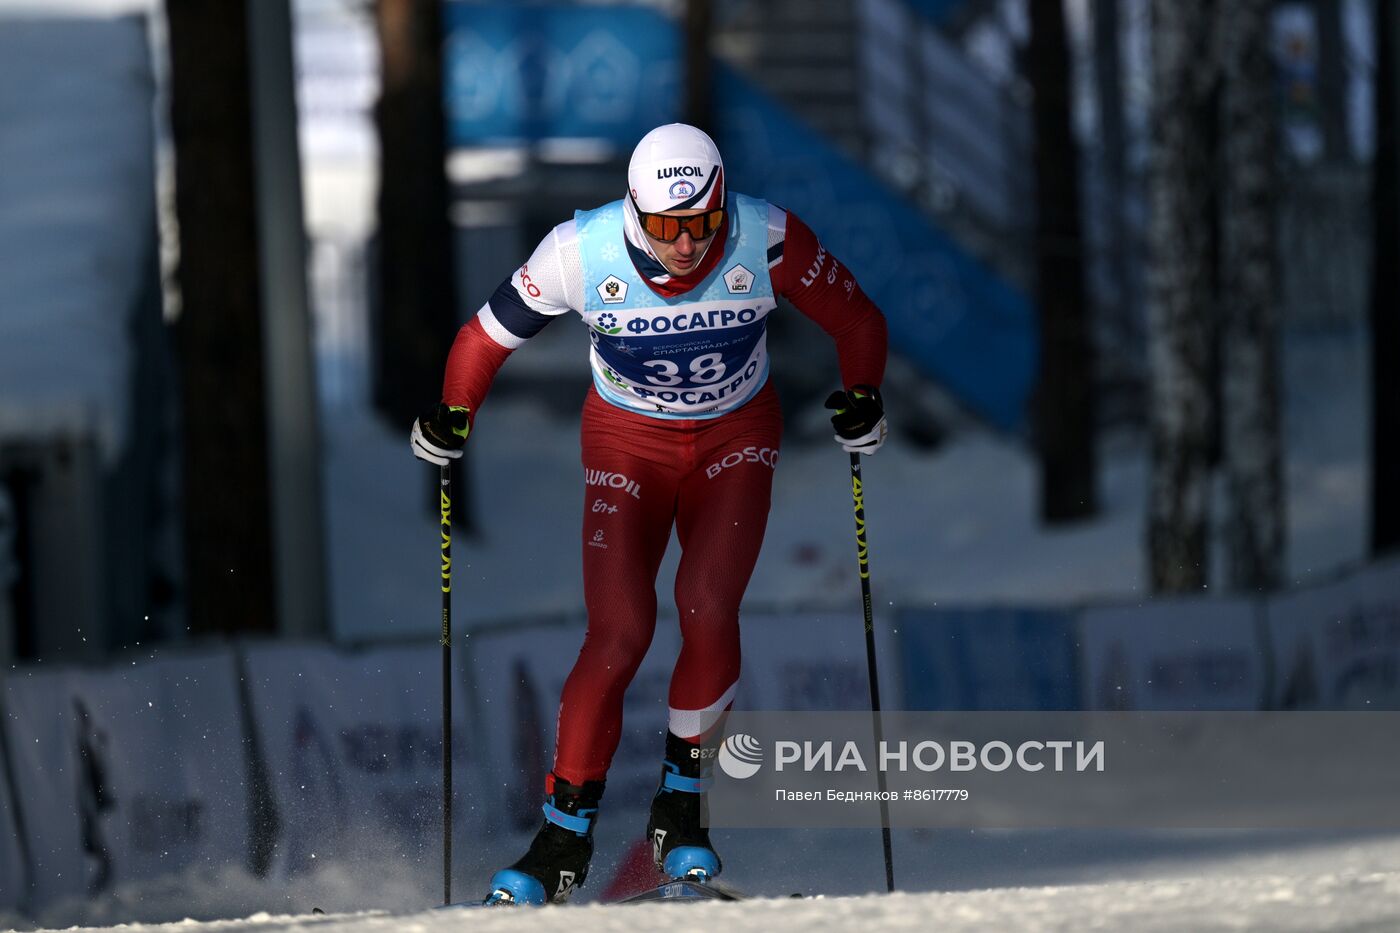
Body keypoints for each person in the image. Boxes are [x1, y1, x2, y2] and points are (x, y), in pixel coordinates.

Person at [411, 123, 888, 905]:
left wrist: (863, 395)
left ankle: (681, 809)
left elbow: (858, 320)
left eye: (701, 224)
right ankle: (562, 839)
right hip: (628, 440)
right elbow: (482, 337)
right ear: (636, 212)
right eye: (666, 228)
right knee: (622, 627)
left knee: (705, 603)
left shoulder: (764, 236)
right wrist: (452, 413)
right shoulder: (578, 252)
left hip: (735, 433)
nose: (686, 246)